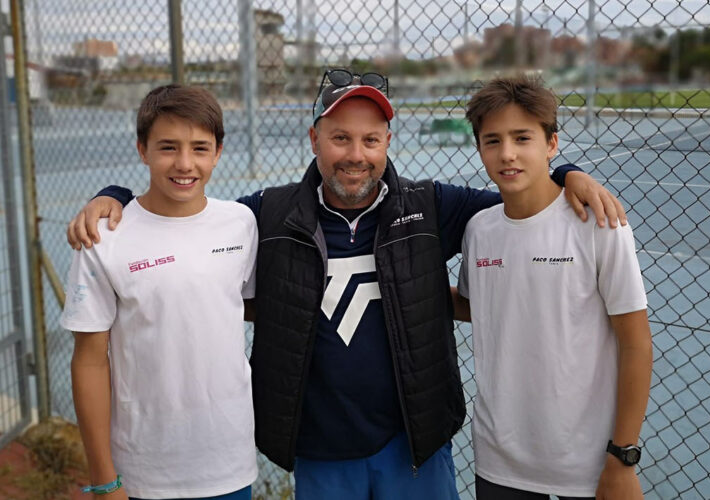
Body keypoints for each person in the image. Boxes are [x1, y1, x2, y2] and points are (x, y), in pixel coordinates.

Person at [66, 69, 628, 499]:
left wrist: (566, 172)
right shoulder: (263, 214)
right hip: (319, 447)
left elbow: (522, 197)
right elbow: (182, 220)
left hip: (415, 446)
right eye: (339, 137)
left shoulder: (433, 207)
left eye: (370, 140)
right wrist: (115, 196)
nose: (354, 155)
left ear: (387, 141)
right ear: (314, 138)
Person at [454, 75, 652, 500]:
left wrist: (623, 457)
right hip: (499, 461)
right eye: (493, 141)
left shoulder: (600, 224)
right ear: (480, 149)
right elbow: (482, 306)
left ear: (551, 144)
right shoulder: (479, 230)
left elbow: (636, 344)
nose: (507, 153)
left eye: (522, 137)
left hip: (587, 463)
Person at [62, 84, 258, 500]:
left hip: (230, 462)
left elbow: (236, 305)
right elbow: (90, 363)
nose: (185, 163)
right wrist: (104, 479)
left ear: (218, 152)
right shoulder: (103, 236)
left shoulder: (242, 223)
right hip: (142, 472)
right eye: (168, 147)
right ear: (142, 149)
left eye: (200, 148)